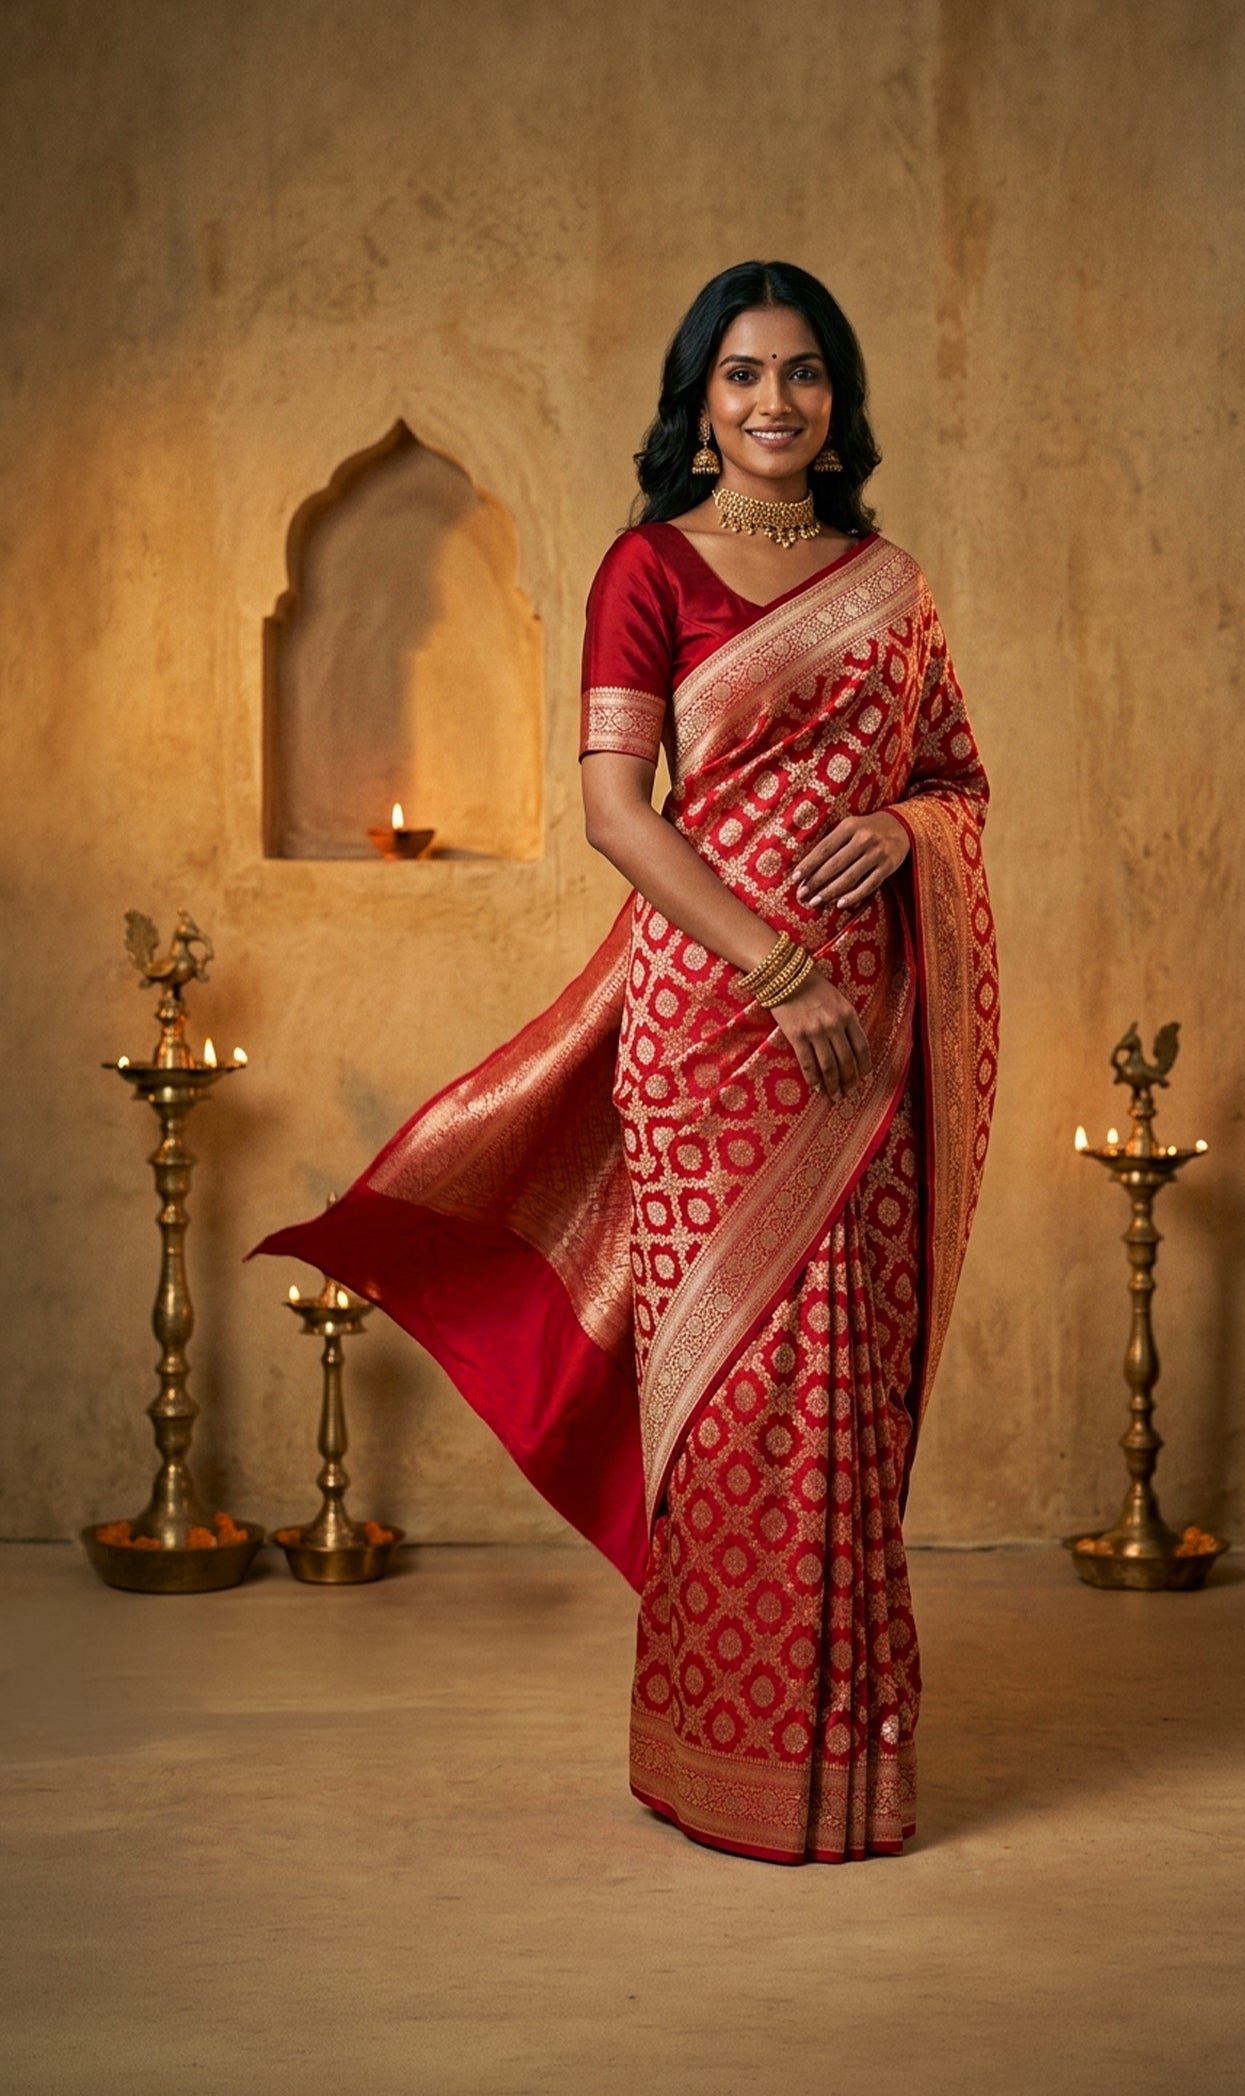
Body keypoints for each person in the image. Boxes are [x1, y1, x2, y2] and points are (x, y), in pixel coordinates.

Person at [255, 260, 998, 1865]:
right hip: (716, 1025)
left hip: (863, 1027)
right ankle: (724, 1762)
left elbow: (960, 781)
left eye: (803, 372)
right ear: (699, 403)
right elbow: (615, 808)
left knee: (844, 1394)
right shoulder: (646, 568)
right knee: (733, 1398)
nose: (776, 401)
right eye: (744, 374)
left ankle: (845, 1773)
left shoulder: (893, 585)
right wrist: (776, 966)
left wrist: (901, 827)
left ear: (838, 400)